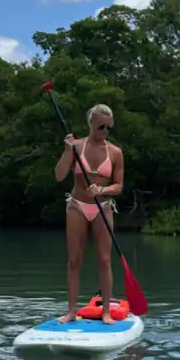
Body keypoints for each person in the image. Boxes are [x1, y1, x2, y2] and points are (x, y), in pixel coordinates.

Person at [53, 103, 125, 324]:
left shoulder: (115, 152)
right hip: (77, 205)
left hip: (103, 207)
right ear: (91, 124)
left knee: (104, 261)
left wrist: (102, 190)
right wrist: (67, 152)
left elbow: (119, 186)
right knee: (74, 259)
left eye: (109, 128)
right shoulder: (76, 146)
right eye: (101, 126)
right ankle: (72, 311)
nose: (105, 131)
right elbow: (59, 175)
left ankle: (105, 312)